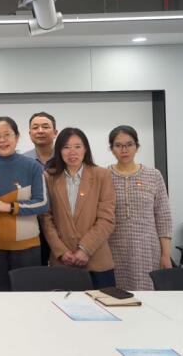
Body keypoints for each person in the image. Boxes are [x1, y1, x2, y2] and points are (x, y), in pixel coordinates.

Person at [0, 116, 48, 291]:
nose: (2, 140)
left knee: (27, 296)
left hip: (26, 248)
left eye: (7, 135)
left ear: (17, 137)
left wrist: (8, 207)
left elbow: (43, 203)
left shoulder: (33, 166)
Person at [42, 127, 117, 289]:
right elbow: (46, 219)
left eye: (77, 146)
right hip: (63, 260)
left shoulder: (102, 175)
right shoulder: (49, 177)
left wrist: (85, 249)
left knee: (103, 304)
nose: (72, 152)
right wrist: (61, 251)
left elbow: (107, 219)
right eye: (66, 147)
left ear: (85, 149)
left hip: (96, 259)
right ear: (59, 151)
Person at [107, 125, 172, 290]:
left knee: (147, 295)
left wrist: (166, 254)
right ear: (111, 149)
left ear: (137, 147)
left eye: (129, 144)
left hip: (147, 249)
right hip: (113, 248)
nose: (124, 150)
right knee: (117, 296)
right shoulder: (104, 176)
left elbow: (163, 217)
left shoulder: (154, 175)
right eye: (118, 145)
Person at [22, 111, 58, 265]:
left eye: (45, 127)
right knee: (37, 269)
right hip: (33, 223)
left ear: (55, 132)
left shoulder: (66, 158)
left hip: (61, 223)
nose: (40, 131)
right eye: (35, 127)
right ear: (30, 133)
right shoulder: (23, 160)